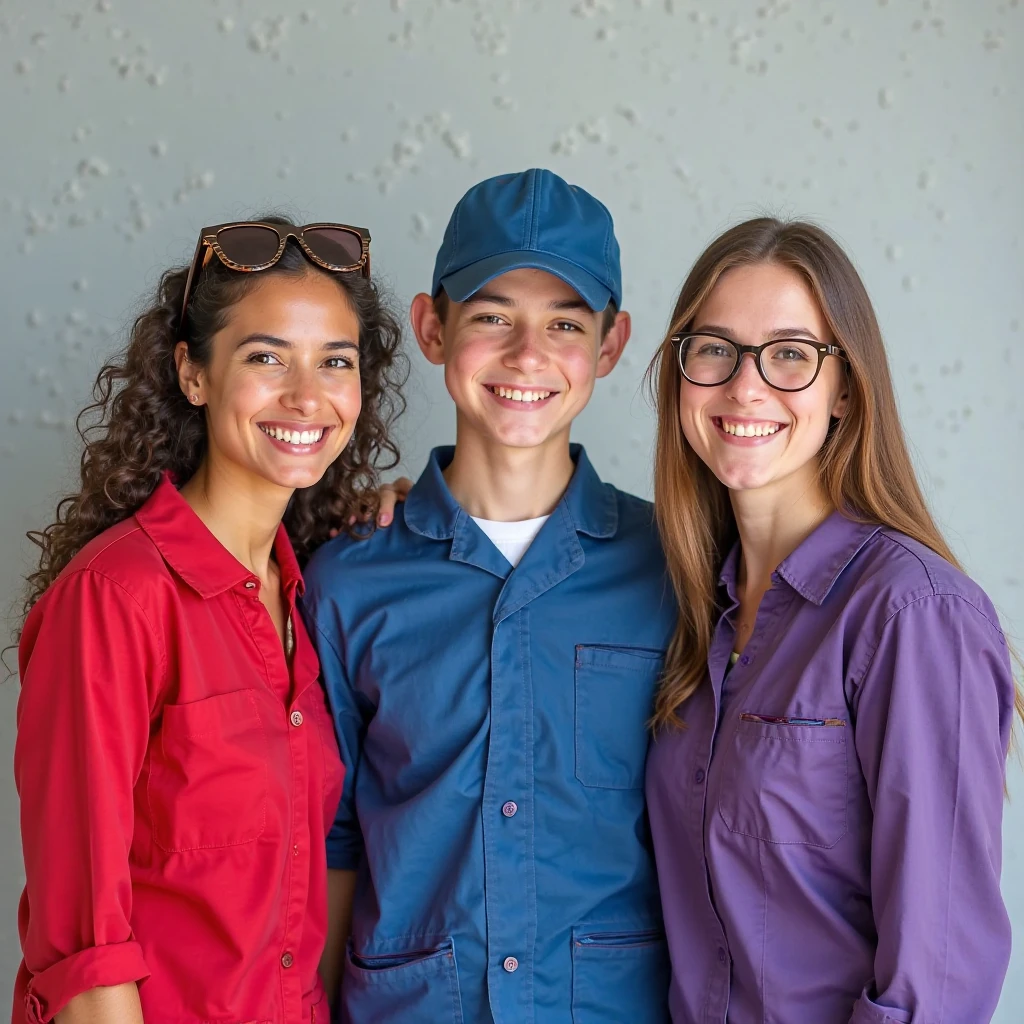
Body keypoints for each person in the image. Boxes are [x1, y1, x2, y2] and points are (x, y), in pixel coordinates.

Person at [302, 169, 676, 1023]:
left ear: (610, 346)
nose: (527, 355)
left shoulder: (673, 569)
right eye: (492, 316)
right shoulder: (349, 579)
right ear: (434, 329)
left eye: (565, 324)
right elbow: (333, 840)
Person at [12, 217, 405, 1024]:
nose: (307, 395)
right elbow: (86, 958)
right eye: (266, 357)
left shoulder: (311, 594)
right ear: (193, 374)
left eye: (336, 361)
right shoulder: (117, 596)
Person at [643, 217, 1019, 1023]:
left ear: (845, 386)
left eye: (789, 354)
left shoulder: (913, 614)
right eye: (714, 348)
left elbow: (939, 976)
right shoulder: (691, 609)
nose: (745, 388)